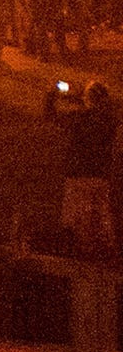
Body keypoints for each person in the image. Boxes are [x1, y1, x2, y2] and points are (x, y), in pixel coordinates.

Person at [61, 81, 118, 255]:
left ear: (89, 98)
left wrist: (51, 95)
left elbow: (52, 116)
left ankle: (83, 249)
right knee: (101, 213)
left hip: (79, 173)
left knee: (78, 214)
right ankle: (108, 249)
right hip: (100, 174)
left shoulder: (78, 117)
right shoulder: (110, 120)